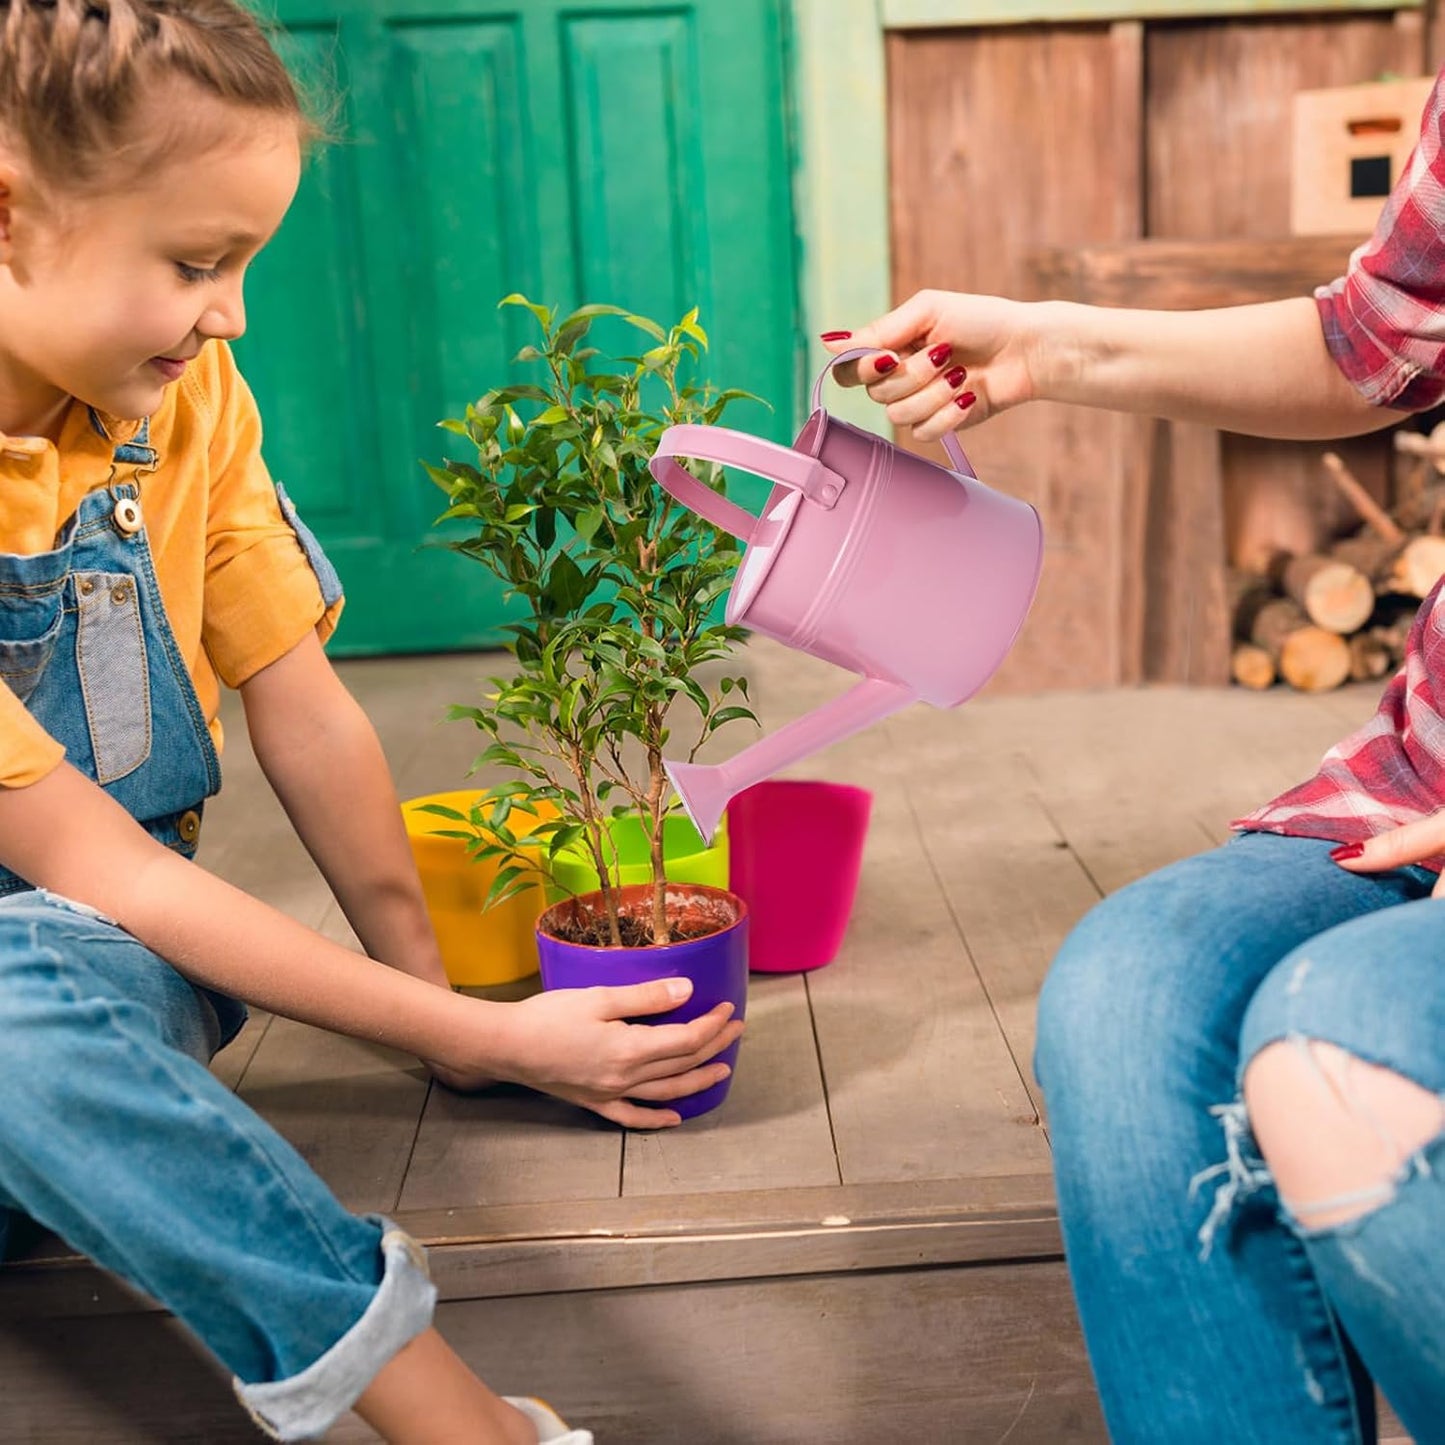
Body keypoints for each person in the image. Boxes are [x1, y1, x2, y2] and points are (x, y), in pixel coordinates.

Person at [0, 3, 744, 1441]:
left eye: (246, 263)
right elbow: (113, 859)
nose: (232, 314)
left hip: (86, 967)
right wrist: (509, 1041)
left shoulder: (188, 397)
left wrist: (451, 1022)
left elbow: (303, 707)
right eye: (196, 264)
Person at [825, 70, 1445, 1445]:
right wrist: (1046, 352)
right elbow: (1377, 336)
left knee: (1331, 1034)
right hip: (1419, 784)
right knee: (1123, 995)